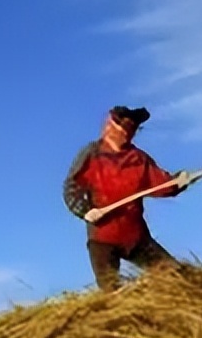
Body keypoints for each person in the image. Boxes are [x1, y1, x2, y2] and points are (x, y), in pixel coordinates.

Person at [63, 105, 191, 291]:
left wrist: (178, 181)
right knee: (112, 293)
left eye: (132, 127)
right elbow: (71, 188)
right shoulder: (91, 155)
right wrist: (85, 211)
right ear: (110, 125)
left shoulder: (138, 159)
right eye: (123, 125)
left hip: (136, 236)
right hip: (102, 238)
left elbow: (161, 184)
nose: (127, 132)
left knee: (176, 277)